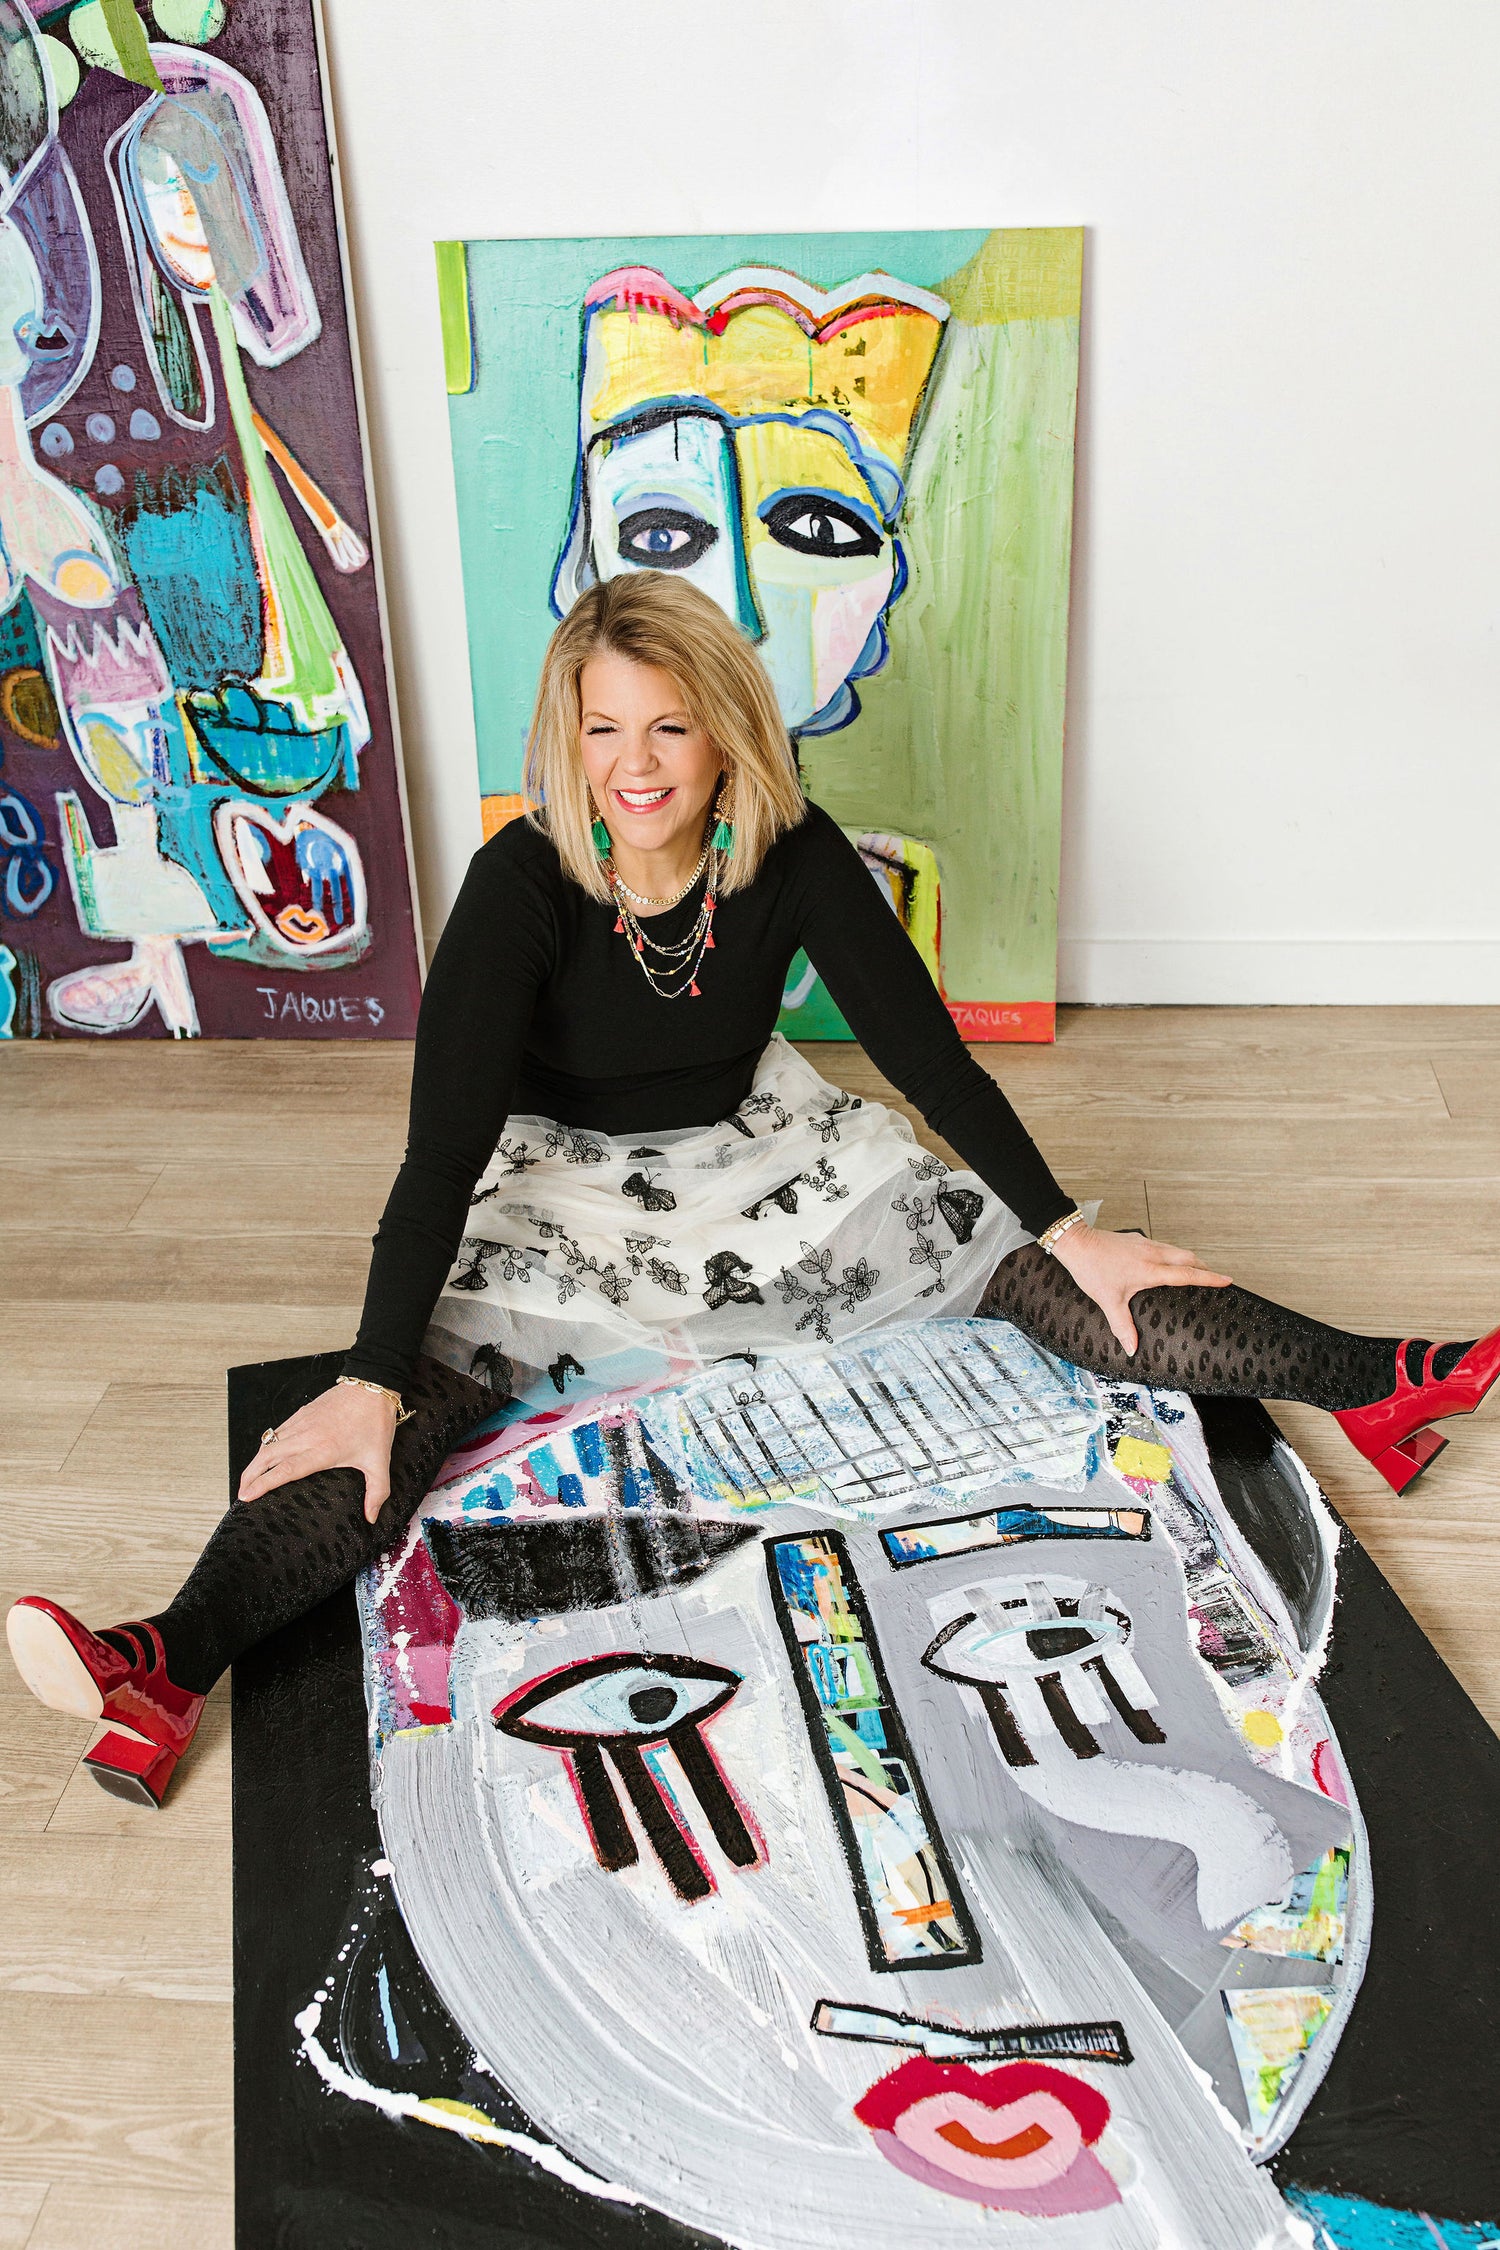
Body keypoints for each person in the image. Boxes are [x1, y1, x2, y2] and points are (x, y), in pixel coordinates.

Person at [8, 573, 1497, 1806]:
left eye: (670, 724)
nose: (637, 763)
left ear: (725, 730)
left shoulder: (791, 852)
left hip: (769, 1160)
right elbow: (439, 1154)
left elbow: (932, 1065)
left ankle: (1373, 1380)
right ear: (567, 737)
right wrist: (365, 1374)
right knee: (386, 1419)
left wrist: (1061, 1225)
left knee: (1056, 1281)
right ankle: (167, 1659)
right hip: (562, 1192)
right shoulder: (520, 882)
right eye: (603, 728)